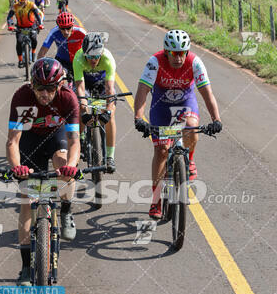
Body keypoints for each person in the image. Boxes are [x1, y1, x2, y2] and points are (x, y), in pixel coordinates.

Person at [133, 29, 222, 220]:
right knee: (161, 150)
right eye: (174, 53)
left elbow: (207, 93)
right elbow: (142, 91)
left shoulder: (195, 62)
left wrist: (216, 119)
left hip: (185, 103)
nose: (179, 58)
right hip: (161, 107)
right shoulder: (154, 62)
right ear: (166, 51)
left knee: (191, 128)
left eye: (182, 53)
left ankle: (188, 160)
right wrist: (138, 118)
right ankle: (156, 200)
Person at [6, 58, 81, 285]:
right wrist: (17, 168)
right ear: (32, 85)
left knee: (63, 164)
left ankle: (66, 211)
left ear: (59, 86)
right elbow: (13, 141)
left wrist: (72, 166)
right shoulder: (22, 97)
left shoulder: (68, 97)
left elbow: (74, 141)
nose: (45, 94)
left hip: (55, 136)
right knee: (27, 199)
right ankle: (27, 268)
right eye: (40, 88)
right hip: (30, 139)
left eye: (50, 88)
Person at [73, 32, 117, 173]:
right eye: (90, 57)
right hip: (85, 83)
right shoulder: (78, 58)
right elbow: (80, 87)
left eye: (96, 56)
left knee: (110, 117)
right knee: (81, 108)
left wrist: (108, 111)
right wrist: (84, 108)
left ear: (101, 53)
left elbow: (110, 89)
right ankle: (79, 140)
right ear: (84, 54)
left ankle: (110, 157)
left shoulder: (108, 58)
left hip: (102, 83)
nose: (93, 60)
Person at [37, 12, 86, 79]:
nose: (66, 32)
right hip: (62, 61)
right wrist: (39, 69)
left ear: (72, 26)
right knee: (55, 79)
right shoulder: (54, 32)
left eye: (68, 28)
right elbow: (42, 52)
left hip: (78, 60)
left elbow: (91, 47)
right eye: (62, 28)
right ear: (58, 27)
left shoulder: (81, 31)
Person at [7, 0, 43, 68]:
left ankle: (33, 52)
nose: (22, 1)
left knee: (34, 39)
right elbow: (10, 17)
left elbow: (37, 16)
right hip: (20, 27)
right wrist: (10, 25)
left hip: (31, 26)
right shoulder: (15, 6)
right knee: (19, 42)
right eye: (20, 0)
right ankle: (20, 60)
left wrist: (40, 24)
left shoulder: (31, 5)